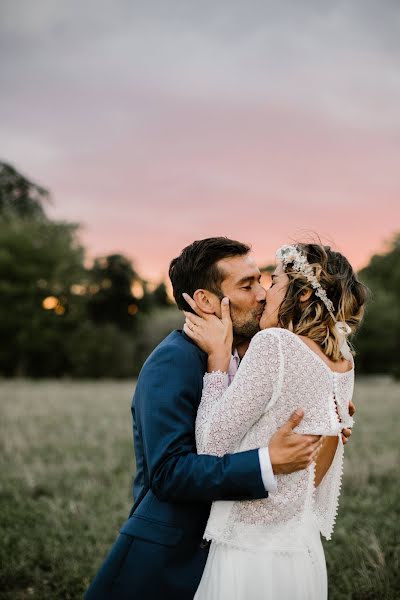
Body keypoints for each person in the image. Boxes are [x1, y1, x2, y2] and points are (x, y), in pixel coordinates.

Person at [85, 238, 353, 600]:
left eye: (263, 281)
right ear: (206, 301)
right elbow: (168, 473)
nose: (261, 294)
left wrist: (325, 427)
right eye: (247, 285)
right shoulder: (173, 361)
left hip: (256, 548)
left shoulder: (271, 352)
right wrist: (266, 462)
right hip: (178, 558)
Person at [183, 242, 367, 600]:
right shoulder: (343, 364)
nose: (265, 294)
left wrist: (218, 363)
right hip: (300, 551)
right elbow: (314, 473)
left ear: (300, 296)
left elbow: (209, 446)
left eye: (275, 281)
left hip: (250, 552)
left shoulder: (275, 345)